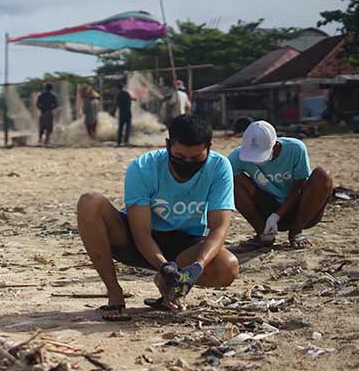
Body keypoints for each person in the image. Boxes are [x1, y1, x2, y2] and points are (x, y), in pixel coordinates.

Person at [77, 114, 239, 320]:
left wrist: (197, 267)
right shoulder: (144, 168)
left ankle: (169, 286)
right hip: (138, 240)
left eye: (196, 159)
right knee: (90, 202)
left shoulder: (219, 167)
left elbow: (218, 228)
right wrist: (163, 266)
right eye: (180, 157)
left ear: (210, 147)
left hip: (186, 245)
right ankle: (115, 294)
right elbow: (141, 233)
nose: (187, 164)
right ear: (168, 145)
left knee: (228, 267)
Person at [228, 120, 333, 248]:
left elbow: (298, 187)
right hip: (266, 207)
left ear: (275, 145)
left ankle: (296, 232)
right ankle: (263, 234)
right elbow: (219, 180)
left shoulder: (295, 148)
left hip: (300, 210)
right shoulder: (239, 156)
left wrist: (277, 215)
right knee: (230, 179)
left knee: (323, 175)